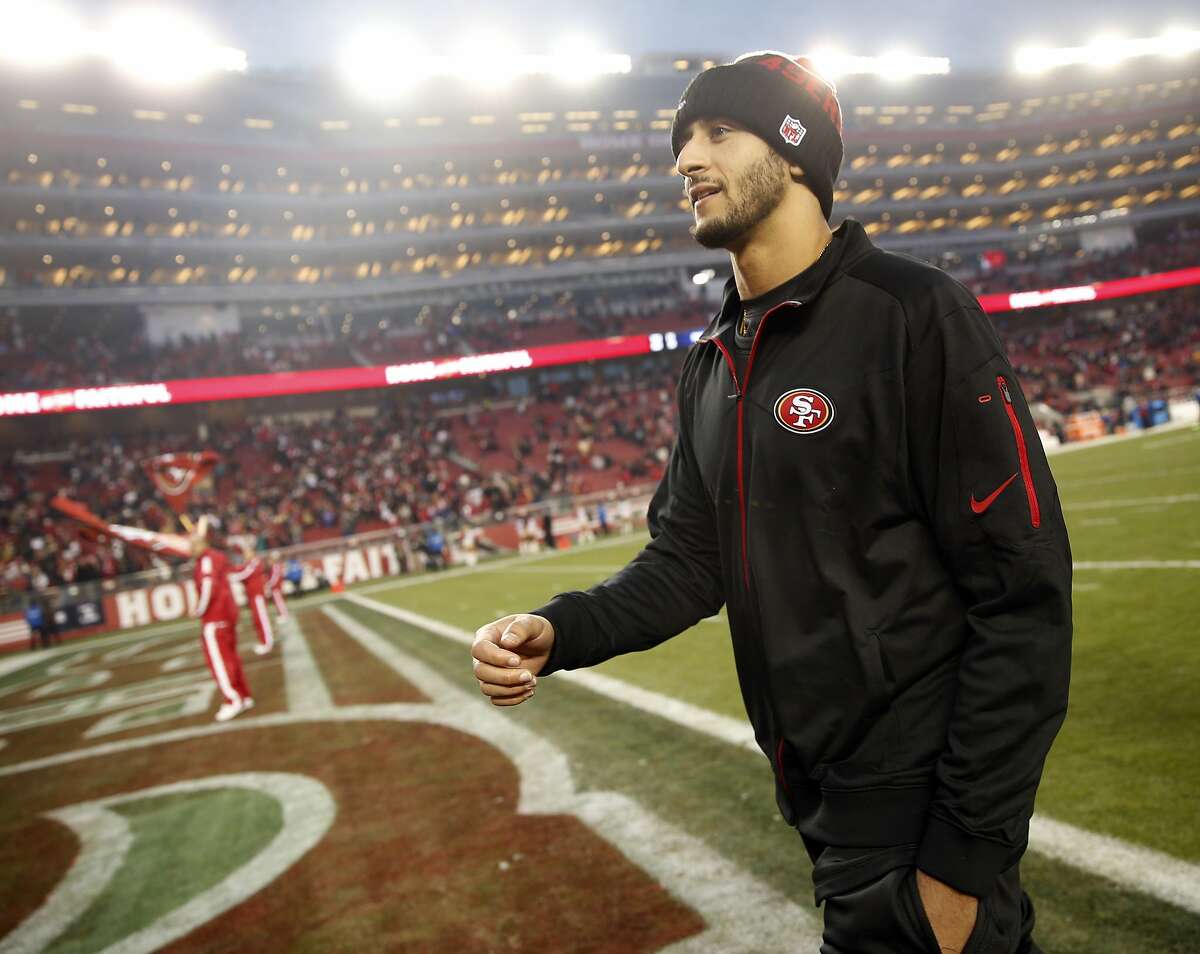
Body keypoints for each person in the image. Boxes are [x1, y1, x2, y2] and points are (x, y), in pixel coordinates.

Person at [472, 52, 1072, 954]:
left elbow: (1023, 595)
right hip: (819, 802)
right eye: (682, 142)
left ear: (795, 150)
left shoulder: (912, 313)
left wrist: (959, 861)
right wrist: (559, 631)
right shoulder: (713, 360)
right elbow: (688, 559)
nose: (686, 160)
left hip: (916, 816)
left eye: (717, 132)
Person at [190, 517, 253, 722]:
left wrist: (199, 609)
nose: (190, 548)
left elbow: (209, 586)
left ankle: (232, 699)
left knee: (220, 662)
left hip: (215, 618)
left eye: (192, 543)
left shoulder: (207, 559)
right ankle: (243, 696)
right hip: (227, 615)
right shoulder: (218, 556)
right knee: (232, 658)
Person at [229, 540, 275, 655]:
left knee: (262, 620)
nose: (245, 555)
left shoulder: (255, 562)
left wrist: (230, 578)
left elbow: (245, 573)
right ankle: (263, 641)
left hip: (258, 595)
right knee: (257, 620)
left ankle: (267, 643)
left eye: (247, 552)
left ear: (252, 552)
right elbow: (239, 570)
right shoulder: (249, 563)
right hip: (253, 596)